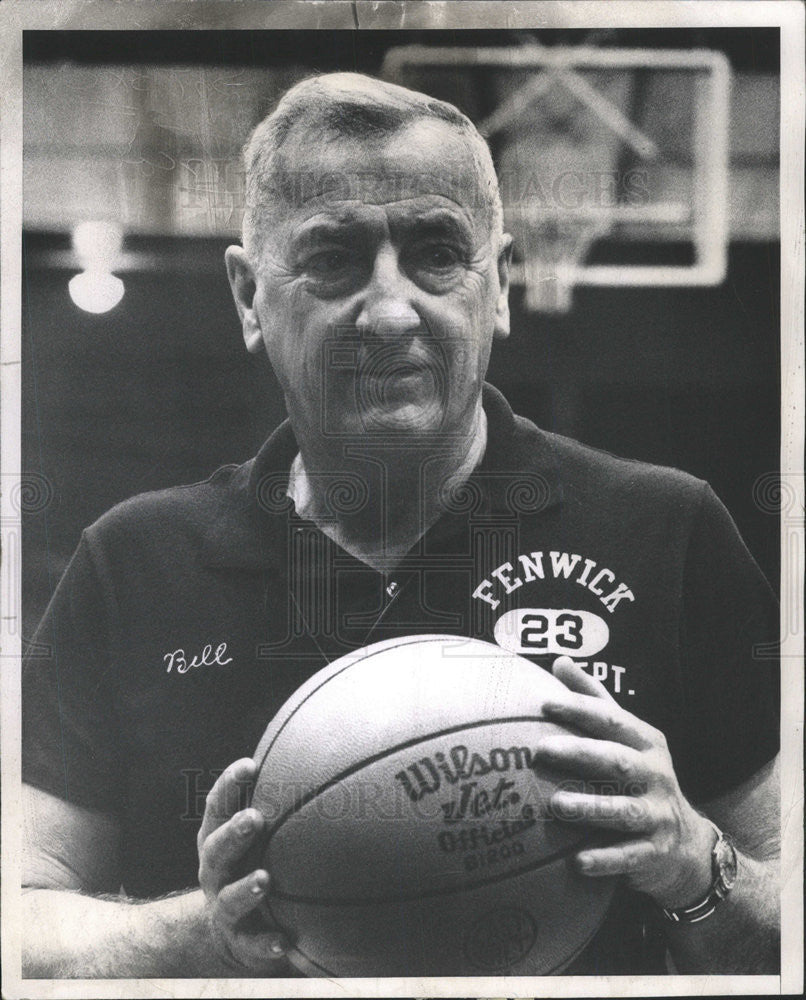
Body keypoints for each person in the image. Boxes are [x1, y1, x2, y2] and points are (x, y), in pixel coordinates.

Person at [22, 72, 780, 978]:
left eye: (435, 253)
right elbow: (21, 920)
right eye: (334, 259)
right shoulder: (134, 563)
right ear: (247, 297)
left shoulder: (668, 533)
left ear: (497, 284)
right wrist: (202, 930)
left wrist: (699, 863)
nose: (388, 312)